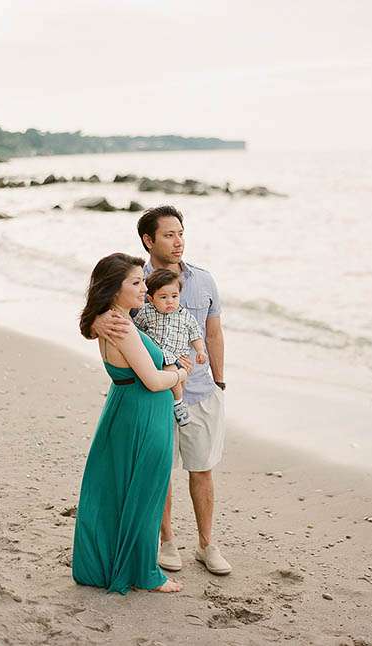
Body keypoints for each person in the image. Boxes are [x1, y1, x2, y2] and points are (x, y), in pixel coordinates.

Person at [92, 205, 231, 576]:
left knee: (202, 469)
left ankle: (206, 544)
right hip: (153, 397)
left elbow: (213, 332)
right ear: (148, 240)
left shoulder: (204, 281)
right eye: (169, 235)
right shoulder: (134, 283)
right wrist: (96, 320)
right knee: (160, 472)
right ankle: (167, 540)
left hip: (200, 391)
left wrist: (218, 381)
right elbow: (102, 317)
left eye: (181, 233)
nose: (178, 241)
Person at [73, 252, 192, 594]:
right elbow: (154, 381)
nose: (144, 288)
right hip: (142, 415)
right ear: (114, 288)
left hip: (129, 410)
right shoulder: (121, 324)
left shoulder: (114, 318)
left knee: (121, 490)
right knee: (144, 493)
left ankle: (115, 562)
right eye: (137, 283)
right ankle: (144, 572)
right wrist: (181, 372)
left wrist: (92, 320)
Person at [134, 268, 208, 426]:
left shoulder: (184, 315)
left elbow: (195, 334)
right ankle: (178, 405)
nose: (170, 301)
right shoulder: (147, 312)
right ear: (151, 299)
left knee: (179, 383)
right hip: (160, 357)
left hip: (180, 358)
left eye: (174, 296)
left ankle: (177, 404)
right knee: (171, 378)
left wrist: (201, 351)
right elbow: (136, 330)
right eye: (163, 297)